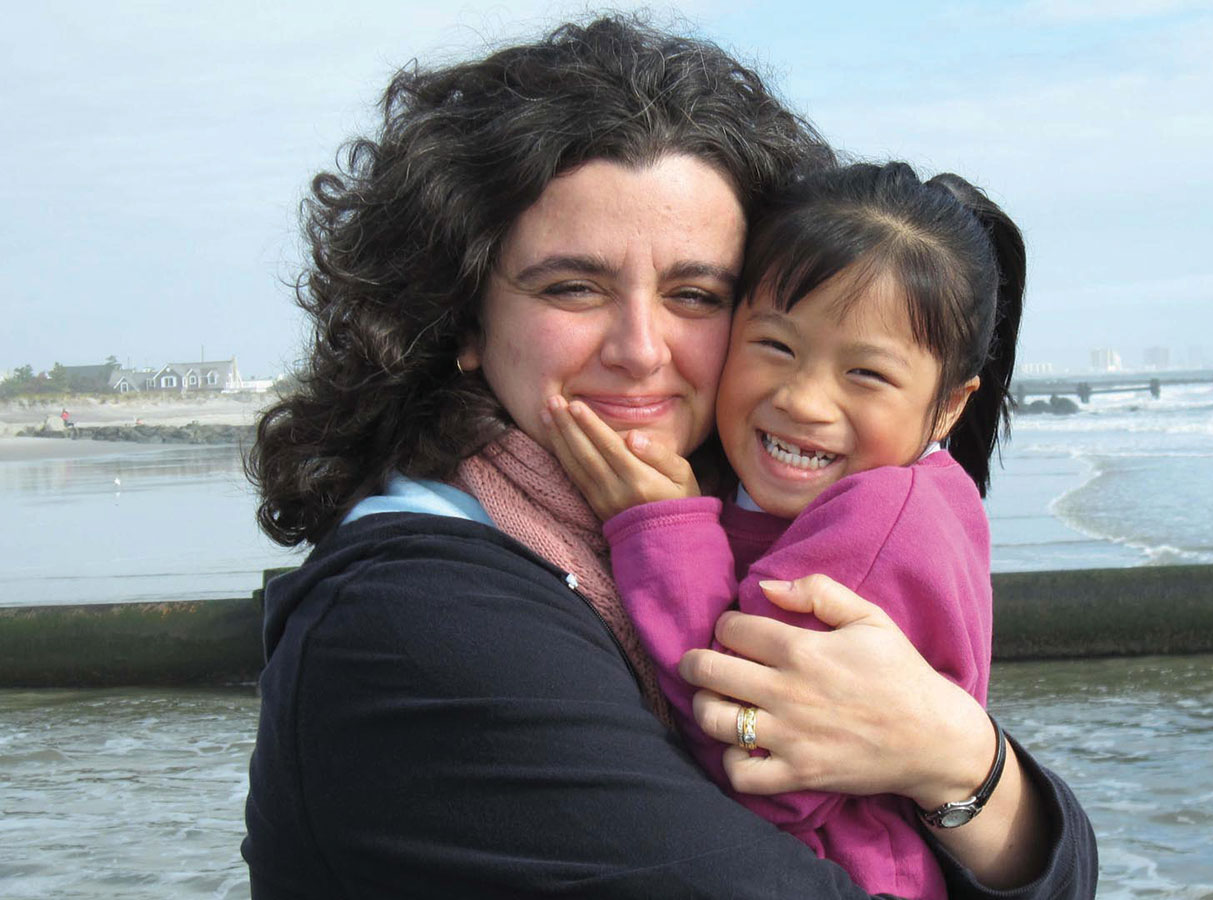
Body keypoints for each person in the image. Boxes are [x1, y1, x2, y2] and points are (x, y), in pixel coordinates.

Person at [242, 15, 1097, 899]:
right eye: (573, 287)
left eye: (696, 293)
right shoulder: (413, 621)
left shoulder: (762, 527)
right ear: (460, 313)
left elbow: (1061, 875)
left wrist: (957, 756)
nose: (641, 348)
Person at [542, 161, 1022, 900]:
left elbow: (765, 762)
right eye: (775, 347)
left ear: (950, 406)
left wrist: (659, 528)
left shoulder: (880, 522)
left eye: (865, 374)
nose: (803, 399)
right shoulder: (817, 493)